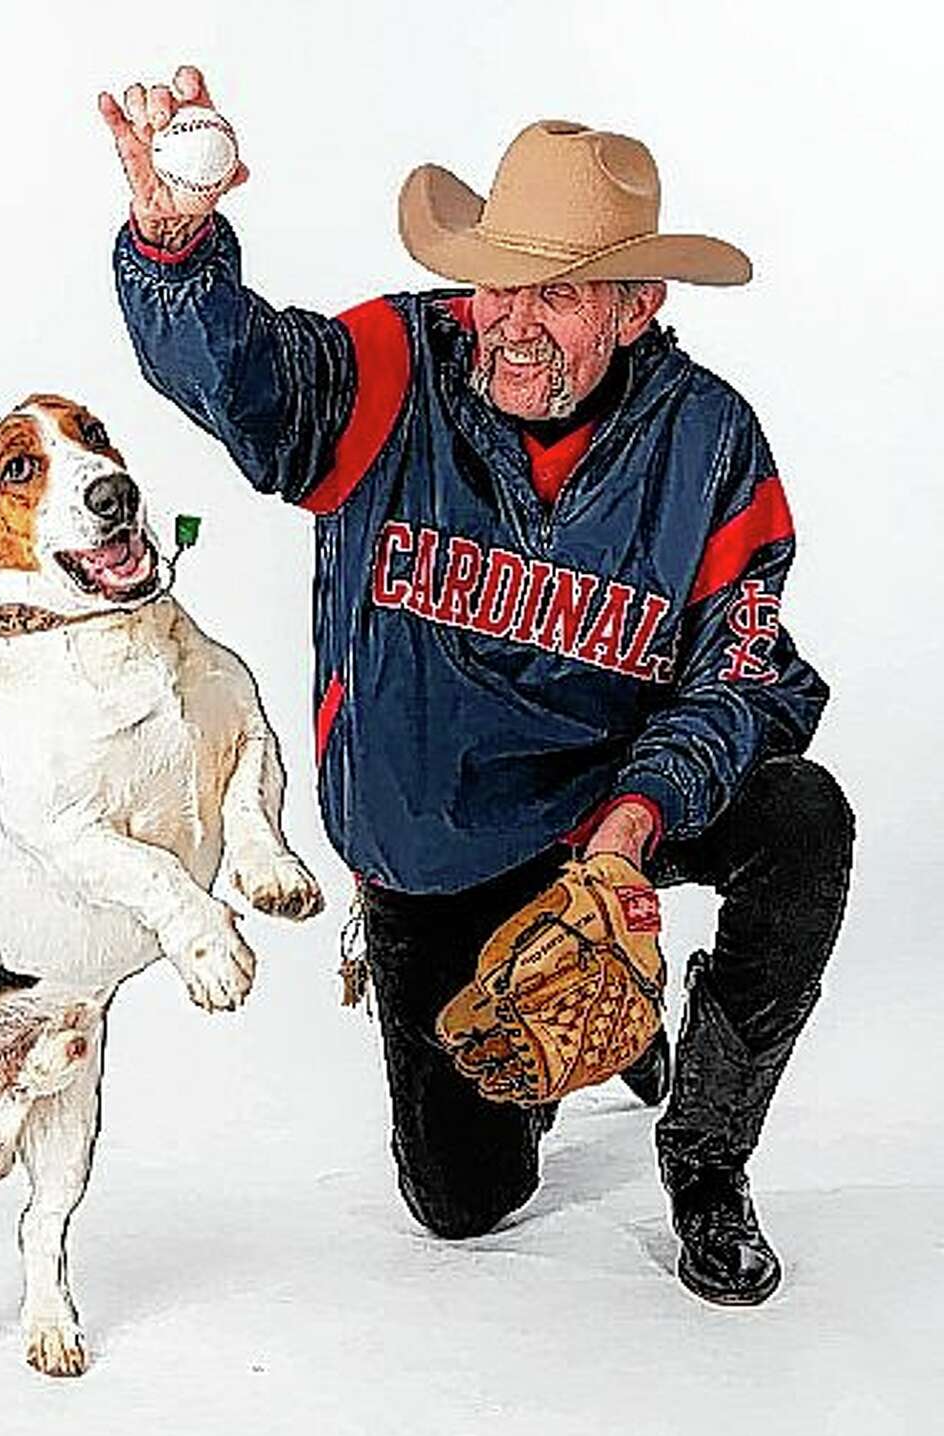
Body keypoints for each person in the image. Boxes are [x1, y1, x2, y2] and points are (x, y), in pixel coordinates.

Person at [97, 67, 854, 1306]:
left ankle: (707, 1156)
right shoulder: (396, 366)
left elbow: (740, 673)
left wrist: (630, 833)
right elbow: (241, 377)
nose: (510, 320)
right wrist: (174, 252)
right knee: (465, 1206)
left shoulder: (711, 440)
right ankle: (594, 1039)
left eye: (557, 294)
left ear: (637, 305)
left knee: (804, 820)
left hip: (613, 815)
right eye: (499, 279)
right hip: (437, 840)